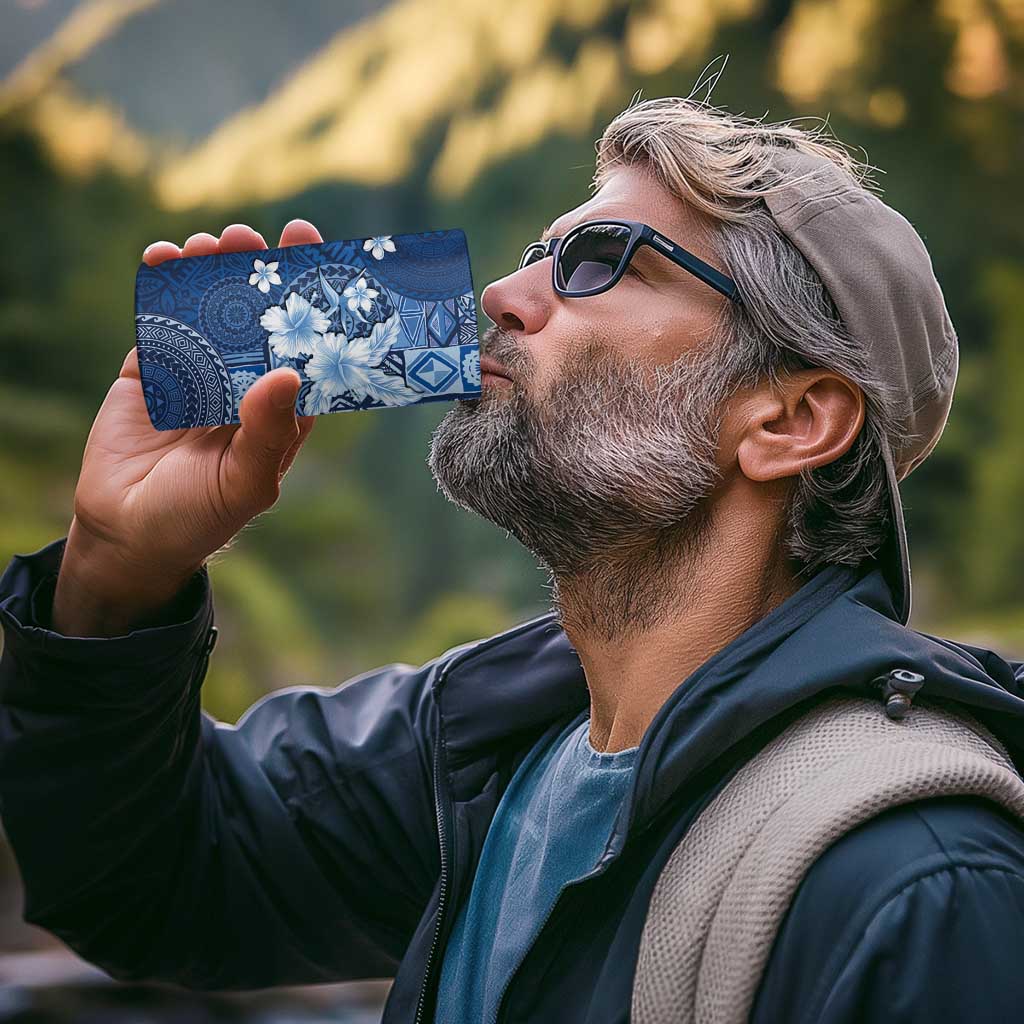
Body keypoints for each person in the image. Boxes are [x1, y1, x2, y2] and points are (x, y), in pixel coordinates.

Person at [2, 95, 1024, 1024]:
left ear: (791, 419)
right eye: (540, 252)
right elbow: (149, 880)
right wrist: (116, 571)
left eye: (599, 262)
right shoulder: (480, 748)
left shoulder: (918, 884)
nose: (502, 291)